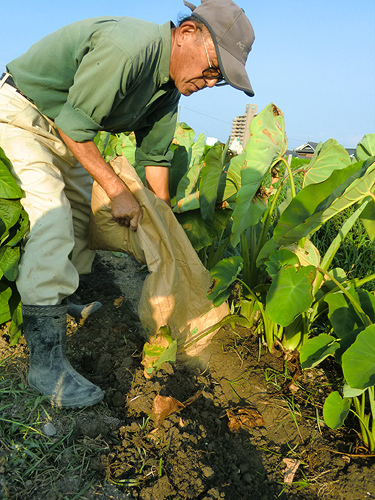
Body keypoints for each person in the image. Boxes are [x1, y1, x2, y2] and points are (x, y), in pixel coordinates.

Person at [0, 0, 255, 408]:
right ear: (187, 33)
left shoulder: (169, 89)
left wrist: (163, 221)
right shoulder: (129, 48)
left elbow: (154, 160)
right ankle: (44, 366)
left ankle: (60, 301)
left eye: (219, 79)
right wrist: (118, 191)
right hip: (23, 114)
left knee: (86, 214)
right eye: (211, 68)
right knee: (53, 215)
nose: (210, 81)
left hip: (63, 130)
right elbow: (73, 125)